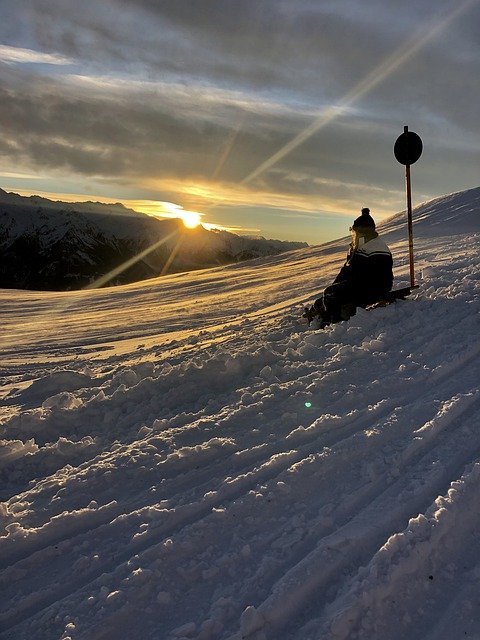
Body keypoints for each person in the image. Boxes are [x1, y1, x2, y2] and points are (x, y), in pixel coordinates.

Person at [304, 207, 393, 327]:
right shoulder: (360, 246)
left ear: (364, 232)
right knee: (329, 294)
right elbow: (347, 271)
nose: (354, 235)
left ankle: (331, 322)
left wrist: (342, 290)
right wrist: (335, 287)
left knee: (333, 294)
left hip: (376, 286)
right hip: (362, 283)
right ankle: (318, 311)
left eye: (356, 232)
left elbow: (367, 275)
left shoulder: (376, 247)